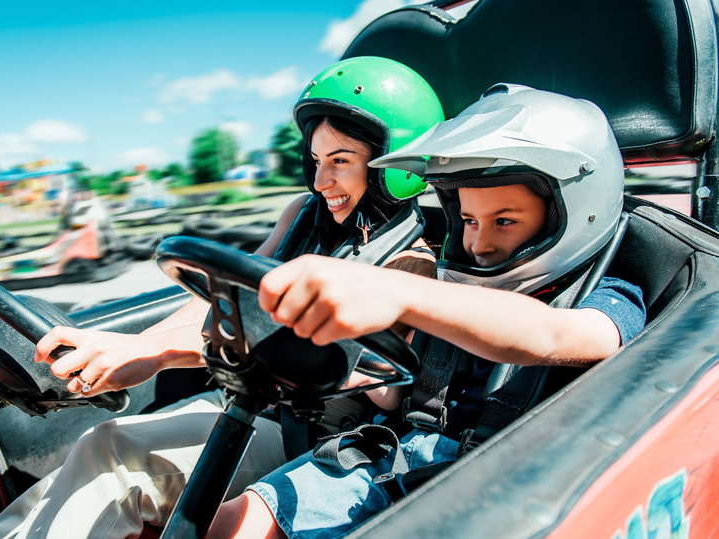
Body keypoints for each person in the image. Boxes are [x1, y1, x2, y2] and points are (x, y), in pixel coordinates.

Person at [0, 56, 444, 539]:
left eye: (340, 161)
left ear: (397, 166)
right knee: (102, 442)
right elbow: (220, 294)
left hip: (309, 437)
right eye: (317, 161)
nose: (322, 181)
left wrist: (158, 353)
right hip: (247, 402)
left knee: (115, 458)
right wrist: (130, 344)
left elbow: (372, 385)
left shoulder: (410, 263)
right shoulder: (304, 215)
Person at [205, 84, 647, 539]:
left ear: (573, 211)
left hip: (499, 488)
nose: (479, 243)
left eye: (505, 221)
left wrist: (397, 291)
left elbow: (553, 334)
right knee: (224, 526)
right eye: (470, 221)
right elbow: (398, 390)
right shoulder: (452, 280)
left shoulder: (610, 297)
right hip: (387, 454)